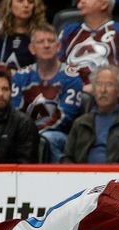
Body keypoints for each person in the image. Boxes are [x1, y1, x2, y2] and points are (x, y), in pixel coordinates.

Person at [11, 23, 83, 163]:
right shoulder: (20, 76)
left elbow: (65, 117)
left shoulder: (71, 77)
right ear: (32, 48)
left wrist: (33, 135)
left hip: (60, 134)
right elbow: (14, 112)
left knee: (48, 139)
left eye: (50, 41)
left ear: (58, 47)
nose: (46, 45)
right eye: (40, 42)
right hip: (25, 133)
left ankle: (58, 179)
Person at [62, 64, 119, 163]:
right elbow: (67, 158)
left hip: (117, 176)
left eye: (109, 84)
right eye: (99, 84)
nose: (103, 90)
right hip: (81, 175)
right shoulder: (81, 123)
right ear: (93, 90)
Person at [58, 0, 119, 88]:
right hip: (68, 90)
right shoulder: (69, 31)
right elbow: (56, 64)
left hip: (107, 91)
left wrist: (97, 86)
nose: (81, 1)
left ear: (104, 4)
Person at [0, 0, 48, 71]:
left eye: (30, 2)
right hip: (0, 78)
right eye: (20, 1)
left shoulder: (42, 33)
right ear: (9, 4)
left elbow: (46, 65)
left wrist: (20, 74)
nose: (26, 5)